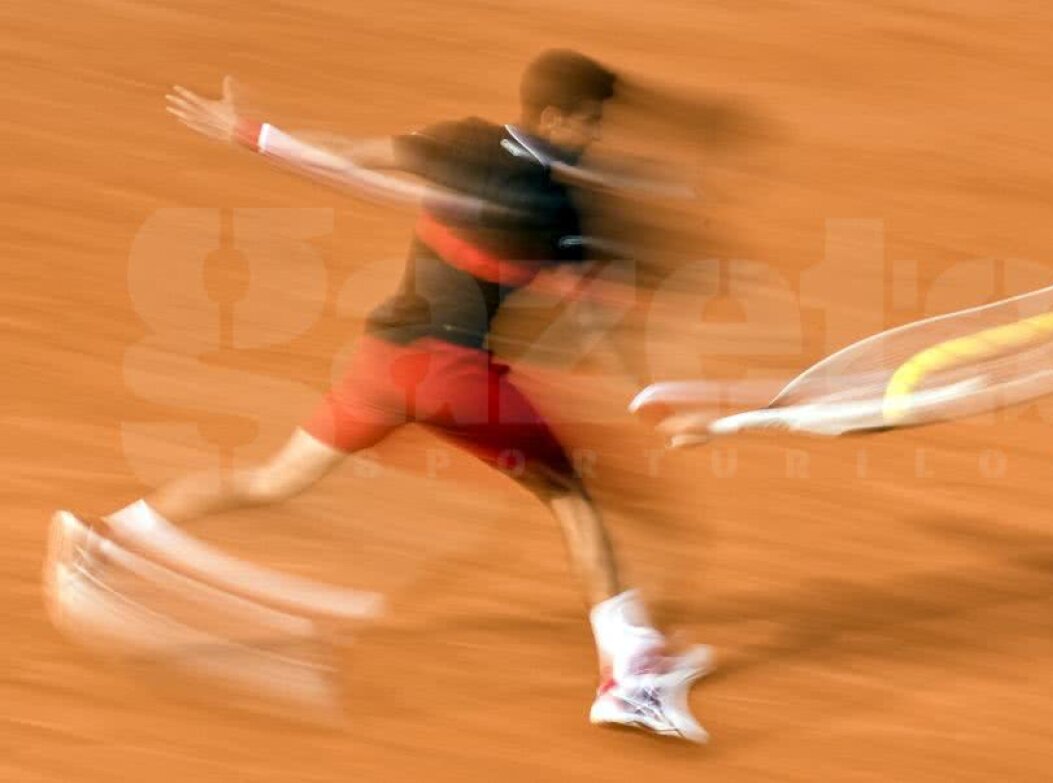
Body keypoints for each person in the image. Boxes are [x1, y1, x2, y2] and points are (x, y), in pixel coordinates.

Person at [46, 50, 712, 742]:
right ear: (554, 116)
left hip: (382, 362)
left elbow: (345, 153)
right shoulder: (560, 205)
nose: (594, 134)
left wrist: (249, 130)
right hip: (454, 375)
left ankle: (103, 537)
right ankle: (627, 677)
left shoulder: (462, 140)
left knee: (275, 480)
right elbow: (594, 317)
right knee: (572, 496)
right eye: (589, 121)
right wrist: (651, 398)